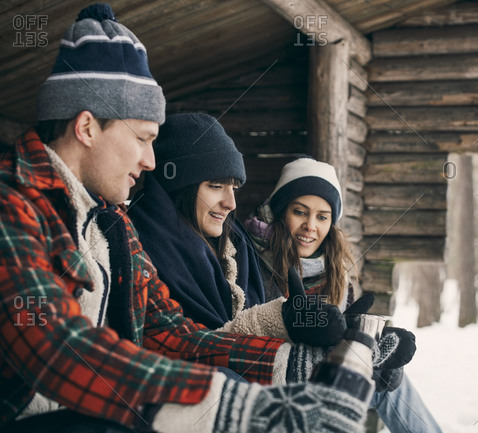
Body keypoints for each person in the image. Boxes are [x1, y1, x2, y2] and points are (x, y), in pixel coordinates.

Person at [0, 5, 371, 432]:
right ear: (87, 128)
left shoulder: (112, 225)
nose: (151, 160)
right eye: (142, 139)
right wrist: (235, 408)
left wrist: (304, 363)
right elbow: (53, 346)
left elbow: (171, 335)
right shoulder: (14, 206)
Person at [246, 157, 444, 433]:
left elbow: (339, 339)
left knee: (391, 382)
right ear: (280, 211)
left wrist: (367, 347)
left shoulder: (335, 270)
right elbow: (243, 333)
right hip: (272, 384)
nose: (310, 226)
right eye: (300, 212)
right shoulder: (250, 258)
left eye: (322, 217)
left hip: (325, 380)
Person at [129, 112, 345, 346]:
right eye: (215, 186)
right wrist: (283, 322)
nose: (231, 204)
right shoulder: (140, 249)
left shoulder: (238, 249)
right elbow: (184, 346)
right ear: (180, 187)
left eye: (234, 188)